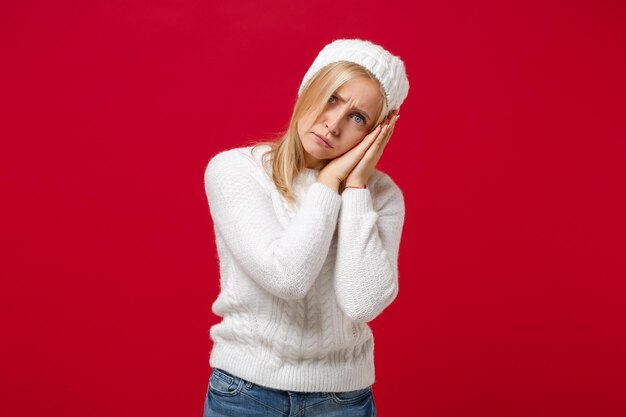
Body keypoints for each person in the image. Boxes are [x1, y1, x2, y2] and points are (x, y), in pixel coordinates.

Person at [202, 38, 409, 417]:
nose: (334, 124)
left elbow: (361, 302)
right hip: (245, 394)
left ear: (375, 135)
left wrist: (356, 188)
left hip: (344, 401)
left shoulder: (380, 196)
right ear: (309, 87)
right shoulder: (235, 171)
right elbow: (287, 277)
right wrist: (328, 183)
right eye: (332, 97)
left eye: (358, 118)